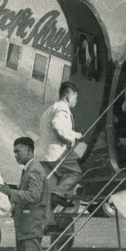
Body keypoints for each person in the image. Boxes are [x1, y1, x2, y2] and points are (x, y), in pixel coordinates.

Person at [38, 81, 83, 213]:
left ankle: (47, 220)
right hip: (56, 153)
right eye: (76, 98)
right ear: (69, 97)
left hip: (43, 154)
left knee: (48, 189)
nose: (76, 101)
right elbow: (58, 126)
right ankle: (59, 195)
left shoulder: (51, 108)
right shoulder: (62, 108)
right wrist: (75, 135)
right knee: (75, 172)